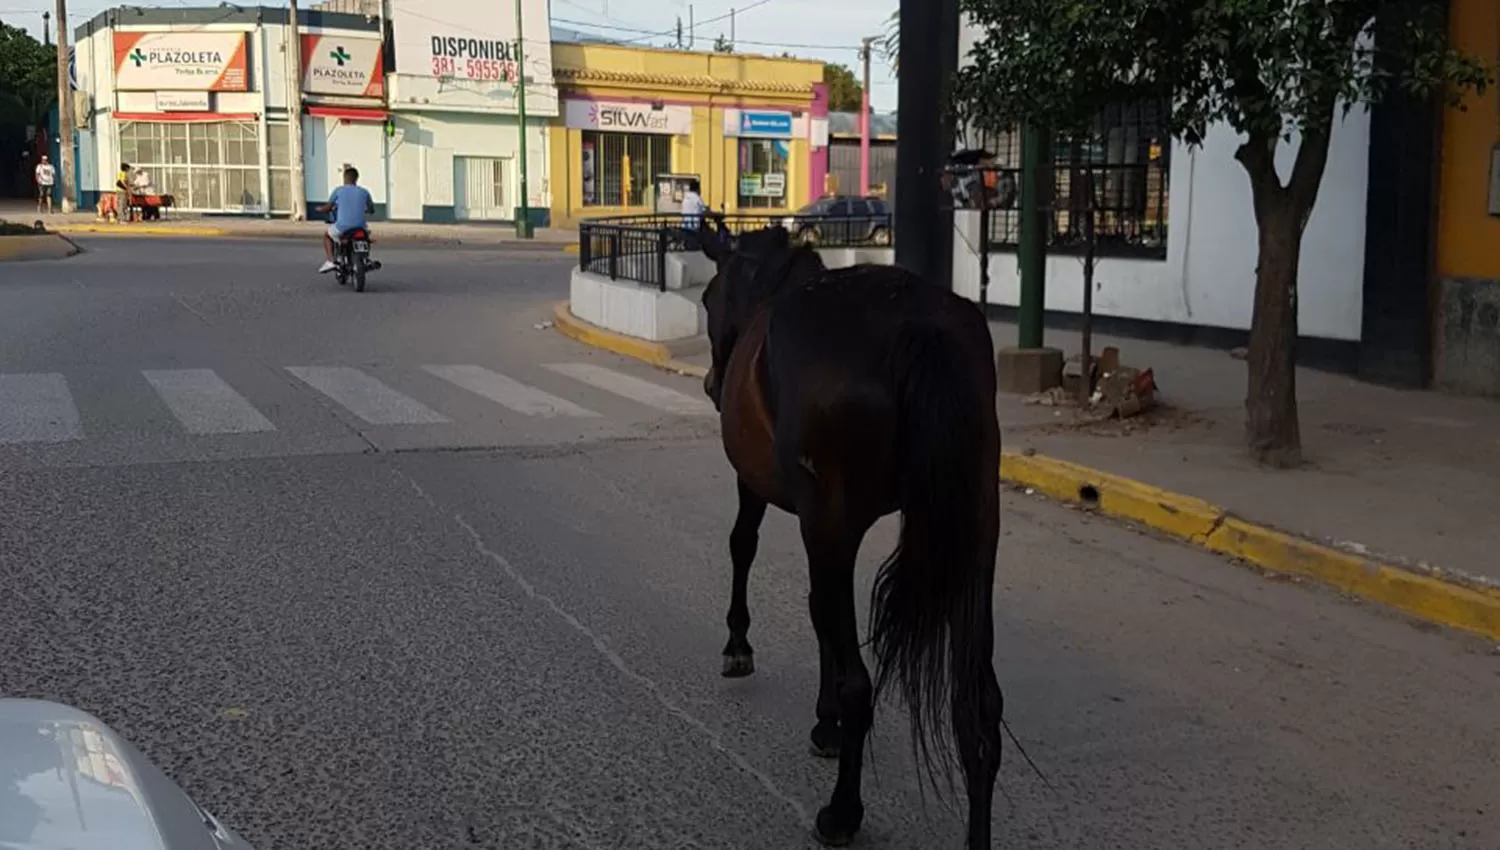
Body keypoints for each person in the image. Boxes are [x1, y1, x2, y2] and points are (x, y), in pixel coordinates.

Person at [315, 166, 374, 273]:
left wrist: (320, 209)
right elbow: (371, 209)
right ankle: (366, 259)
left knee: (327, 236)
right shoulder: (364, 192)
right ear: (357, 178)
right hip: (360, 227)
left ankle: (330, 261)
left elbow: (328, 207)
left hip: (343, 227)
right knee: (366, 237)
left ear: (344, 178)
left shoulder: (338, 190)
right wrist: (365, 210)